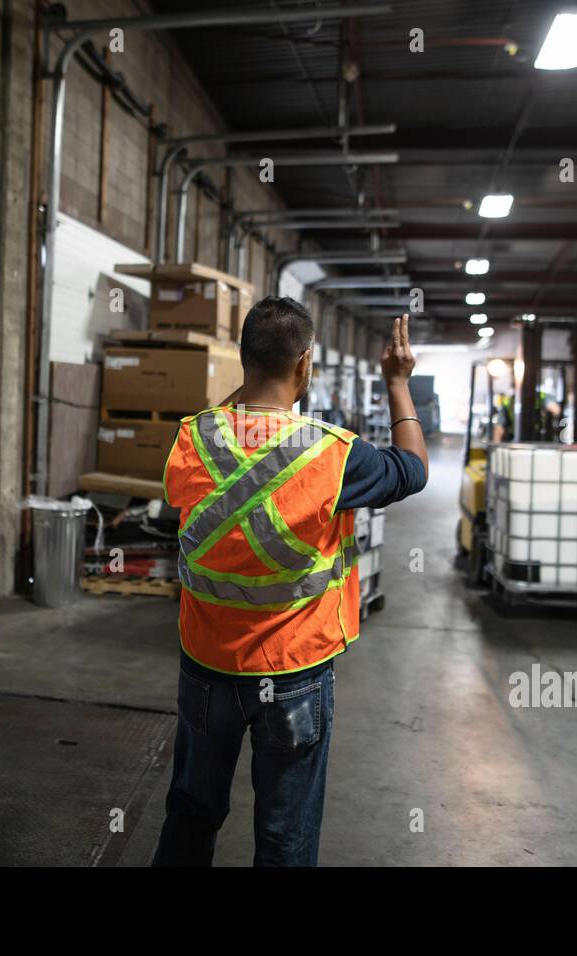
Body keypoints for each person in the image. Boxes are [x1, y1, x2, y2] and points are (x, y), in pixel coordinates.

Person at [152, 297, 429, 867]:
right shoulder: (335, 456)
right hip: (293, 675)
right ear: (306, 365)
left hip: (206, 668)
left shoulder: (192, 441)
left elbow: (214, 423)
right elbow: (414, 468)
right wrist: (398, 383)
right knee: (285, 836)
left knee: (191, 813)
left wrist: (247, 392)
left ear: (241, 357)